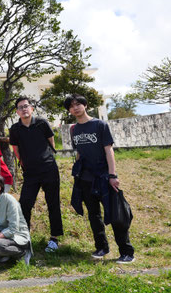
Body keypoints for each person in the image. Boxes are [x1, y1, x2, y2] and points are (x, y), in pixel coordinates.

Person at [65, 94, 135, 264]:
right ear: (69, 110)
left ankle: (127, 252)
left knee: (116, 214)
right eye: (71, 106)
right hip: (86, 179)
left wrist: (112, 175)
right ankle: (102, 247)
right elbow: (79, 152)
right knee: (94, 215)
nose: (75, 107)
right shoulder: (74, 129)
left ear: (85, 105)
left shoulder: (100, 125)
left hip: (104, 176)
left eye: (78, 104)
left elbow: (108, 150)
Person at [9, 97, 63, 253]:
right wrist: (25, 163)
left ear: (31, 108)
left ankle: (54, 238)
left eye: (26, 106)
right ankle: (24, 238)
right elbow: (16, 149)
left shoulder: (41, 123)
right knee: (24, 204)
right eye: (20, 107)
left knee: (53, 203)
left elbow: (51, 142)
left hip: (49, 169)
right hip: (30, 172)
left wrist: (46, 157)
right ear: (17, 111)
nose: (24, 109)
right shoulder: (15, 129)